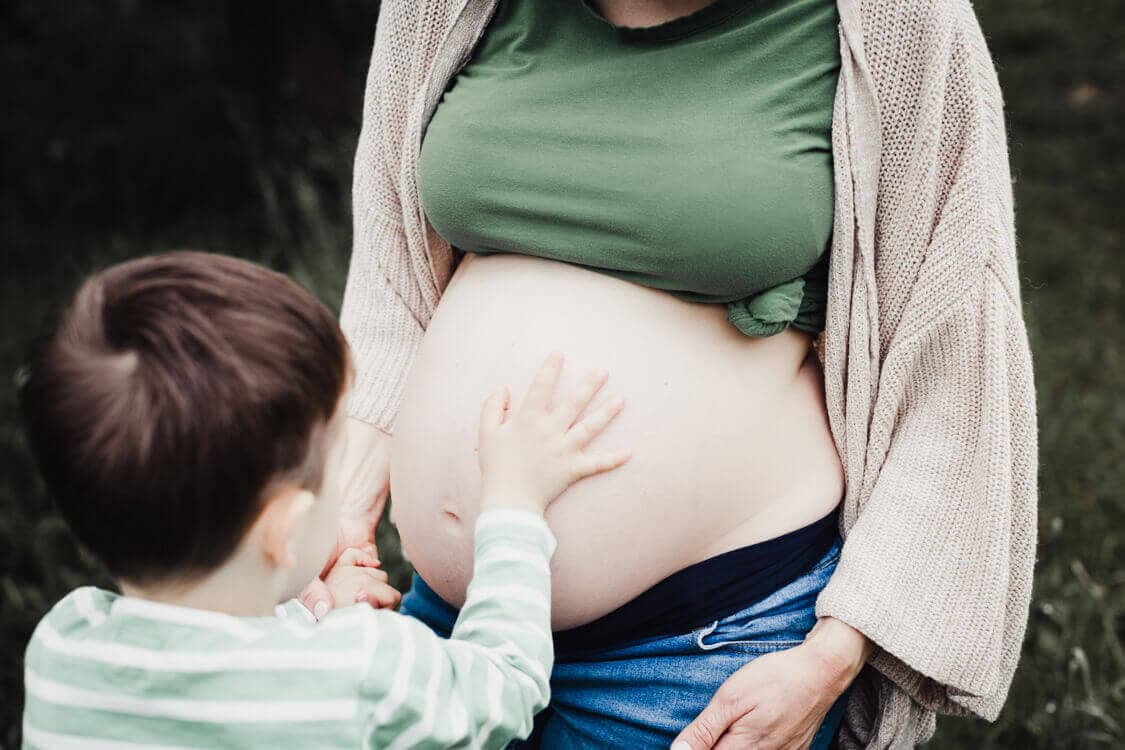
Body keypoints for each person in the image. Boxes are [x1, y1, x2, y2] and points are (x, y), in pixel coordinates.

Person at [314, 0, 1039, 747]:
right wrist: (333, 510)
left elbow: (952, 362)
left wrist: (836, 651)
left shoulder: (896, 20)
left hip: (699, 657)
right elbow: (391, 271)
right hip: (447, 632)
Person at [18, 251, 633, 748]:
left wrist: (307, 618)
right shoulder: (362, 674)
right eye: (337, 459)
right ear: (284, 530)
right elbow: (506, 686)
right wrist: (514, 507)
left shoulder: (64, 649)